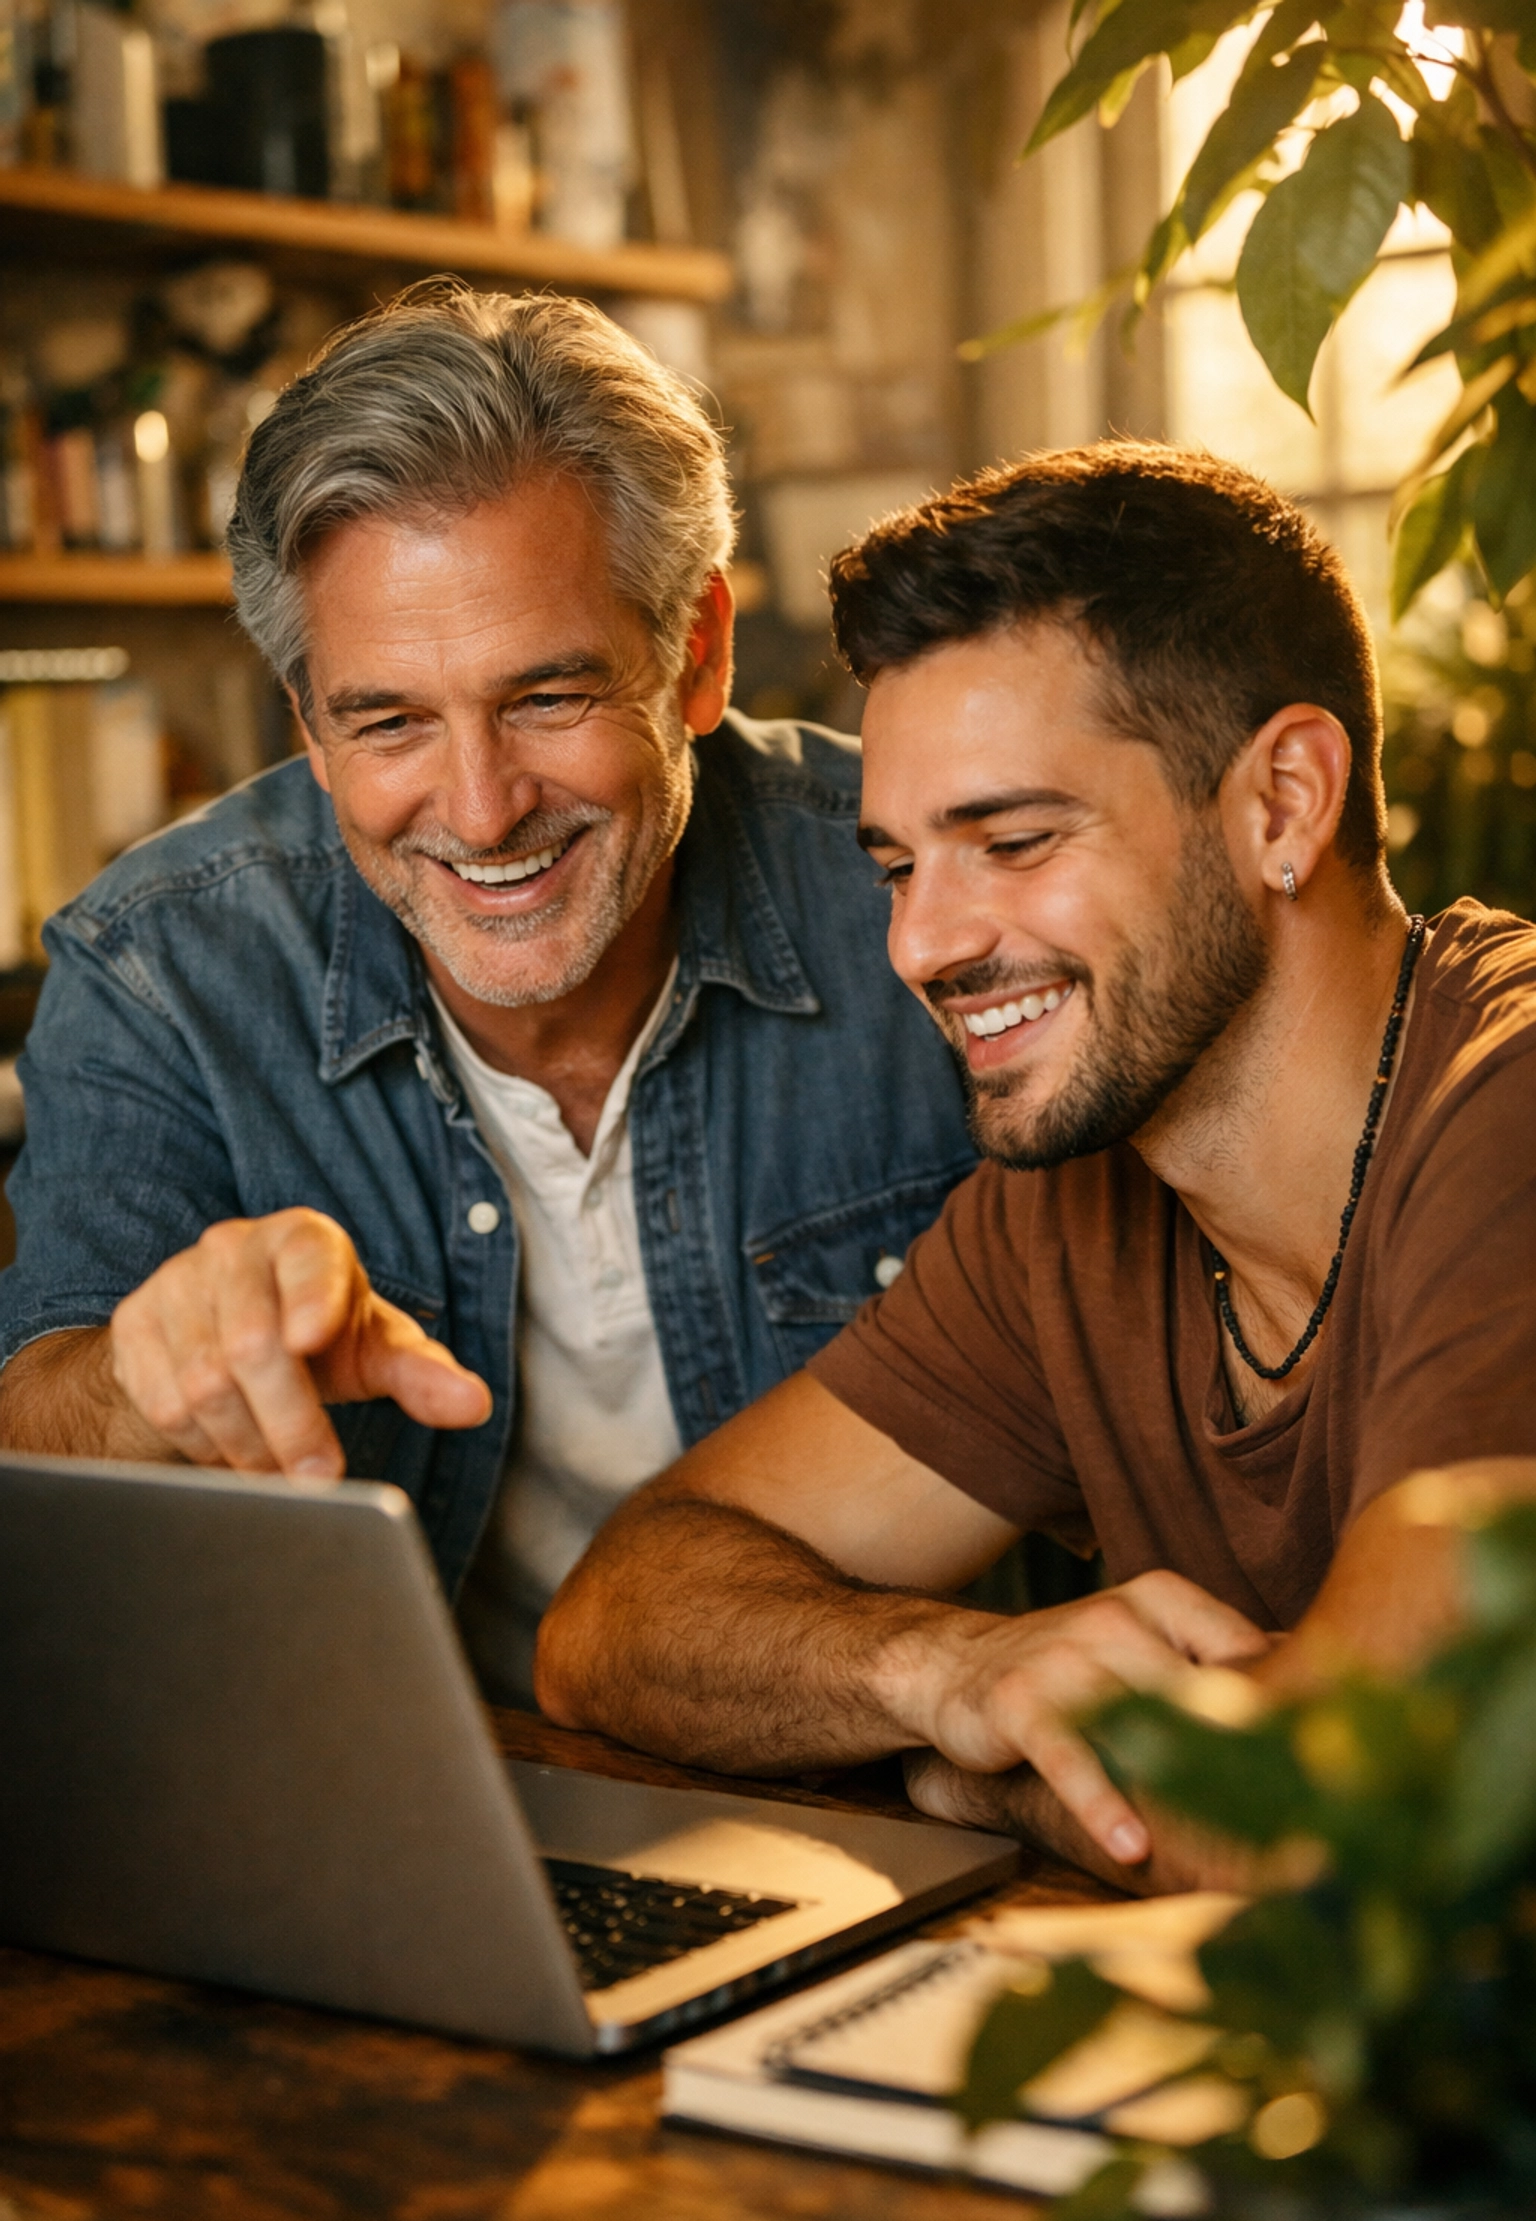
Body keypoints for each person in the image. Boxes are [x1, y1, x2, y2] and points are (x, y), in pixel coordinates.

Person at [535, 443, 1536, 1887]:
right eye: (898, 868)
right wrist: (941, 1672)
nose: (924, 946)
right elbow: (617, 1621)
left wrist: (980, 1781)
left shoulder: (1503, 1112)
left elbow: (1353, 1828)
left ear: (1285, 802)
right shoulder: (1070, 1205)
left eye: (1010, 840)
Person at [0, 287, 975, 1705]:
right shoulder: (162, 968)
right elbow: (31, 1431)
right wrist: (149, 1376)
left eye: (549, 698)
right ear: (310, 728)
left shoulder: (919, 899)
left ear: (694, 654)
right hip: (395, 1824)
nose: (480, 807)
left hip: (874, 1788)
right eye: (387, 720)